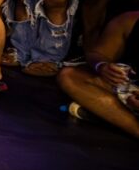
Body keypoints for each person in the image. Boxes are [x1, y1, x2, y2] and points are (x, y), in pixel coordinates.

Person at [56, 11, 139, 139]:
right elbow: (98, 54)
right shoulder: (129, 20)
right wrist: (102, 66)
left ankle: (111, 116)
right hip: (132, 90)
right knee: (69, 76)